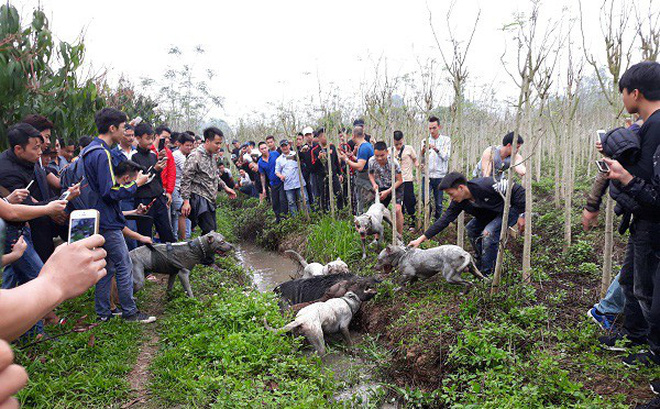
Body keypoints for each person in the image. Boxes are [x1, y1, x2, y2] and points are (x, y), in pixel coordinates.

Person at [582, 62, 660, 375]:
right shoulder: (646, 125)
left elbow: (652, 187)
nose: (622, 99)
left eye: (623, 92)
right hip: (642, 219)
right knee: (631, 282)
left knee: (647, 291)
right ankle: (636, 337)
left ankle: (654, 353)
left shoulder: (656, 126)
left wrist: (625, 179)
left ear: (635, 93)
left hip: (652, 223)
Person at [83, 107, 155, 323]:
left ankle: (104, 312)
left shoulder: (89, 150)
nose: (126, 132)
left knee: (109, 266)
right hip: (107, 220)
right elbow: (109, 192)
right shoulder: (102, 153)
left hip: (99, 217)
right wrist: (135, 184)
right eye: (124, 128)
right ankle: (129, 312)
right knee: (123, 264)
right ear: (112, 128)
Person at [408, 172, 525, 276]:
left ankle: (488, 274)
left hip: (508, 211)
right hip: (490, 215)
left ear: (461, 188)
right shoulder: (458, 202)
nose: (451, 198)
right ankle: (480, 264)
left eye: (451, 194)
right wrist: (420, 239)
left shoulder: (486, 185)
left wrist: (521, 213)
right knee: (471, 229)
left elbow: (516, 188)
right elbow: (444, 220)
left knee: (488, 233)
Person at [180, 127, 237, 238]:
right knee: (209, 232)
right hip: (199, 198)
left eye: (220, 143)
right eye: (217, 143)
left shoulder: (211, 156)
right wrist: (186, 201)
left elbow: (214, 176)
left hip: (210, 198)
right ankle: (206, 255)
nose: (219, 146)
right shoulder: (195, 156)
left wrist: (226, 188)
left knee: (212, 230)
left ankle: (204, 254)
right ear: (207, 141)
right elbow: (186, 180)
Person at [131, 122, 176, 244]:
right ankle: (147, 262)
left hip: (158, 197)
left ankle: (171, 260)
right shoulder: (133, 156)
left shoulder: (152, 155)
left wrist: (164, 193)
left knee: (167, 232)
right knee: (145, 234)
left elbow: (158, 178)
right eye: (147, 139)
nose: (150, 142)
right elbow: (140, 179)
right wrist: (155, 169)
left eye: (152, 138)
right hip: (143, 200)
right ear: (138, 138)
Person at [369, 141, 404, 236]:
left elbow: (400, 180)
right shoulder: (371, 161)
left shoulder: (394, 162)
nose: (379, 158)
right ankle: (376, 238)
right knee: (377, 211)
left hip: (395, 186)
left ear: (387, 152)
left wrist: (388, 192)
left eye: (382, 155)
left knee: (397, 210)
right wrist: (374, 184)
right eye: (377, 156)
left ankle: (399, 237)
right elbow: (371, 174)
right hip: (381, 186)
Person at [421, 116, 451, 220]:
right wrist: (423, 152)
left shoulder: (446, 140)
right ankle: (427, 221)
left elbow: (446, 157)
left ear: (439, 127)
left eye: (434, 128)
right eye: (430, 128)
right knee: (425, 200)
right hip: (427, 176)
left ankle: (438, 223)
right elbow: (421, 159)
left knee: (439, 203)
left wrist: (435, 148)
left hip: (440, 176)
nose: (432, 131)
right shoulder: (425, 140)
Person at [338, 126, 373, 214]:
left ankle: (362, 223)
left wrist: (346, 160)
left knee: (363, 204)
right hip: (365, 179)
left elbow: (360, 166)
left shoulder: (364, 148)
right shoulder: (365, 145)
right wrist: (352, 156)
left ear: (353, 136)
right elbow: (362, 160)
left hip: (365, 180)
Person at [310, 128, 343, 211]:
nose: (324, 138)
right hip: (322, 177)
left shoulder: (332, 146)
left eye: (325, 135)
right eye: (322, 136)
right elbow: (313, 168)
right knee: (324, 196)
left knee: (339, 193)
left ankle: (341, 211)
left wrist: (340, 174)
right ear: (319, 138)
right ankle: (326, 213)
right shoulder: (315, 150)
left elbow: (336, 162)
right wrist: (318, 158)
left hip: (333, 175)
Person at [275, 139, 308, 215]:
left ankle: (308, 215)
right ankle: (296, 219)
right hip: (288, 184)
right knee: (291, 202)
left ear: (289, 145)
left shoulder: (296, 154)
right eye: (282, 146)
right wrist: (281, 176)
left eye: (286, 145)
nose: (284, 148)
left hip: (299, 182)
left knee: (305, 200)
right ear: (280, 148)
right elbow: (277, 171)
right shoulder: (279, 160)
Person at [393, 130, 418, 227]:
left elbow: (415, 160)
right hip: (397, 181)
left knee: (410, 201)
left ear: (403, 140)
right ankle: (401, 223)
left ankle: (413, 222)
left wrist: (417, 165)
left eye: (400, 144)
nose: (398, 146)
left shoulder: (409, 149)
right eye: (396, 144)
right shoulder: (390, 150)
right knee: (398, 203)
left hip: (407, 180)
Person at [171, 133, 194, 240]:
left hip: (180, 188)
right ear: (180, 144)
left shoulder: (182, 155)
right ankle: (181, 239)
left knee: (180, 214)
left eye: (191, 145)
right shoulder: (178, 155)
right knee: (181, 213)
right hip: (176, 188)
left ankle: (181, 238)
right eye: (187, 145)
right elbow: (188, 171)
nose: (189, 148)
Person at [258, 141, 287, 222]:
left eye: (265, 148)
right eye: (262, 149)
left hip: (281, 181)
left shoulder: (275, 154)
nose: (264, 150)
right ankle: (278, 218)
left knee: (282, 200)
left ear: (267, 148)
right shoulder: (260, 162)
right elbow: (262, 175)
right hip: (272, 184)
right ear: (259, 150)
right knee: (275, 202)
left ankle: (284, 217)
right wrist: (264, 188)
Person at [154, 125, 176, 210]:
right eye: (164, 137)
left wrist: (169, 191)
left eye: (168, 138)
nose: (166, 140)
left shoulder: (168, 153)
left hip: (163, 190)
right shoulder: (150, 150)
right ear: (156, 136)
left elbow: (171, 173)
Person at [299, 127, 316, 205]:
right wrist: (301, 151)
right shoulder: (303, 148)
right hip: (309, 174)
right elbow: (297, 159)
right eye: (306, 135)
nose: (308, 136)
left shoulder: (317, 146)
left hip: (319, 173)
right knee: (311, 192)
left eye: (310, 134)